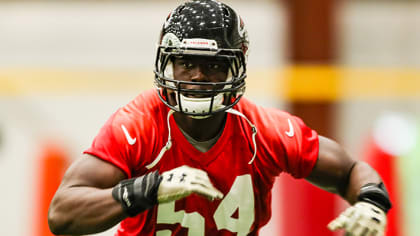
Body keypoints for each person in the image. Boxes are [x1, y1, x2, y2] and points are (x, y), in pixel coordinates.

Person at [48, 0, 391, 235]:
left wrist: (371, 202)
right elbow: (62, 214)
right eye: (186, 62)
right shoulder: (138, 125)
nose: (197, 76)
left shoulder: (263, 130)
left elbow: (349, 170)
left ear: (234, 68)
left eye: (213, 65)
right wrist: (146, 189)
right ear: (168, 62)